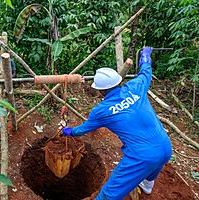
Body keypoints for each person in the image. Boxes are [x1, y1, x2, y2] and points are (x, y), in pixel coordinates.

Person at [62, 47, 172, 199]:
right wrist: (145, 56)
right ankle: (147, 186)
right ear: (118, 81)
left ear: (100, 91)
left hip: (142, 156)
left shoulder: (102, 111)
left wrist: (70, 131)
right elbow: (146, 72)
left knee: (109, 193)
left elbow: (83, 129)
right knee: (154, 167)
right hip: (166, 146)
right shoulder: (135, 87)